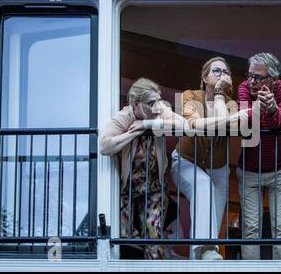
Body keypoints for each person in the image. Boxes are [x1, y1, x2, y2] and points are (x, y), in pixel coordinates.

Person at [99, 77, 188, 260]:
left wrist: (147, 124)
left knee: (153, 235)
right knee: (123, 236)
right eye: (151, 103)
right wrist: (134, 132)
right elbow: (104, 146)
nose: (157, 107)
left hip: (154, 188)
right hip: (127, 190)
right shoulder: (124, 117)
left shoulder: (159, 111)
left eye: (158, 101)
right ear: (136, 104)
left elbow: (184, 126)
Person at [170, 56, 239, 260]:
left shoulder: (232, 105)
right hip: (185, 162)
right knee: (202, 183)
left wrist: (219, 96)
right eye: (217, 71)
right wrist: (222, 119)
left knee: (210, 224)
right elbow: (194, 125)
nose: (222, 75)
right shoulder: (190, 96)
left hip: (218, 170)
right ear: (204, 76)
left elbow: (228, 127)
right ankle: (207, 249)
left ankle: (201, 262)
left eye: (226, 72)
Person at [236, 52, 281, 260]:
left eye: (258, 78)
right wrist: (260, 107)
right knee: (250, 228)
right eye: (250, 75)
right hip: (249, 170)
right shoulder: (244, 87)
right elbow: (245, 123)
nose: (252, 81)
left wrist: (272, 109)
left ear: (274, 79)